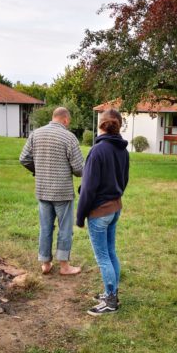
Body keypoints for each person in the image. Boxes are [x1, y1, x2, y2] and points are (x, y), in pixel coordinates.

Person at [19, 107, 84, 275]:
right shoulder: (69, 137)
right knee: (65, 228)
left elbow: (24, 158)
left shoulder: (36, 134)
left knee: (45, 227)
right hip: (62, 190)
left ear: (53, 117)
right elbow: (78, 169)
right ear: (66, 120)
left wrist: (37, 169)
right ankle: (64, 266)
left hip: (42, 189)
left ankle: (45, 264)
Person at [77, 109, 129, 316]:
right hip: (115, 208)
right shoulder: (122, 150)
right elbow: (124, 180)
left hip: (100, 212)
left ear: (101, 125)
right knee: (110, 252)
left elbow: (88, 188)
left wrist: (80, 216)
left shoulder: (97, 151)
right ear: (119, 125)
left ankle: (110, 300)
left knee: (103, 257)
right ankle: (111, 292)